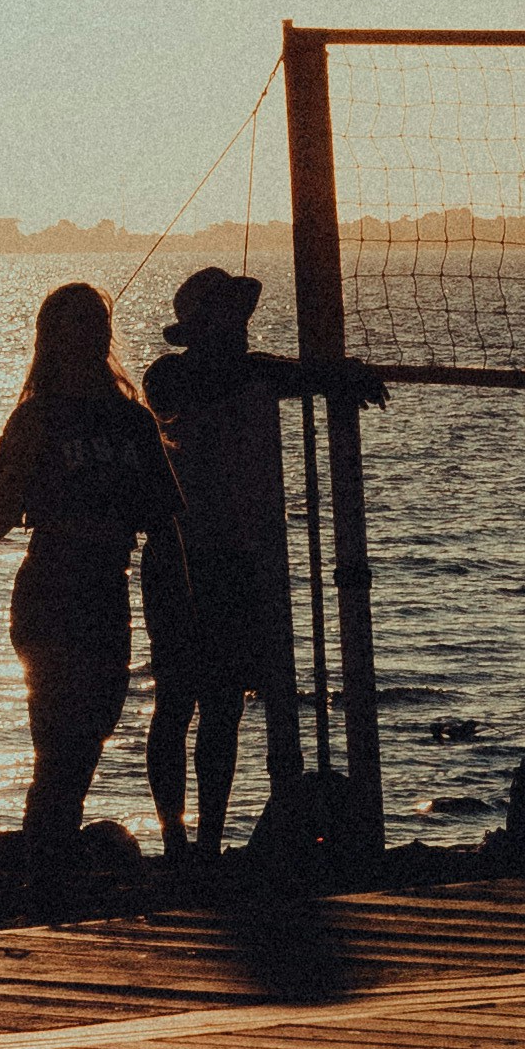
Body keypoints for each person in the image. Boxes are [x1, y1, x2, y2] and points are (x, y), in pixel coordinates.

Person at [136, 267, 383, 866]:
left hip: (234, 560)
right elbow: (214, 379)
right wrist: (301, 372)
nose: (241, 330)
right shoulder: (168, 376)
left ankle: (208, 841)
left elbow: (283, 373)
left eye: (242, 319)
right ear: (200, 328)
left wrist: (338, 374)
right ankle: (174, 840)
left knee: (222, 703)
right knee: (176, 700)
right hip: (179, 555)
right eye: (228, 318)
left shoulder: (250, 372)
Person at [0, 283, 190, 905]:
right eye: (86, 323)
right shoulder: (37, 416)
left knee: (90, 727)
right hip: (53, 587)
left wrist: (178, 599)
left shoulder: (128, 419)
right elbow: (1, 520)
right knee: (58, 733)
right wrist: (0, 489)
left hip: (103, 589)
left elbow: (164, 520)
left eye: (100, 321)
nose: (97, 333)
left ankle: (47, 857)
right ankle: (46, 868)